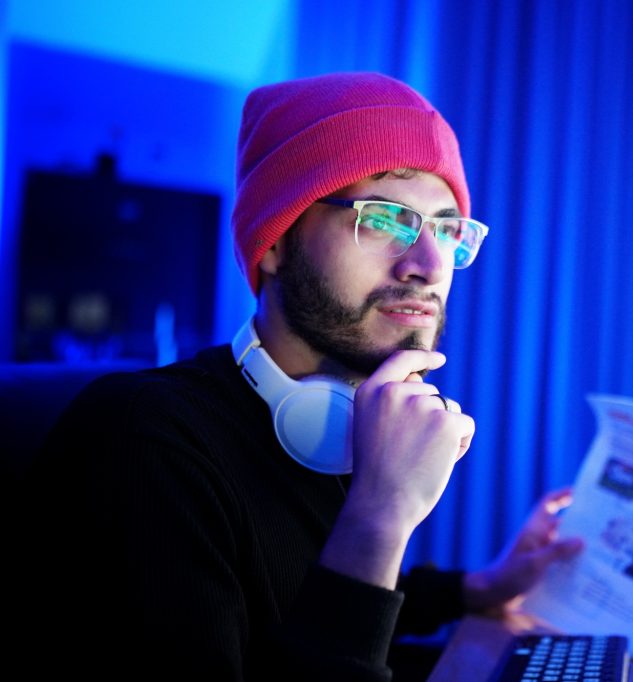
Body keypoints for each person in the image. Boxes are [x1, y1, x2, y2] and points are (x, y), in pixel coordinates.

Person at [17, 72, 582, 681]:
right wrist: (381, 513)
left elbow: (295, 600)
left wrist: (481, 587)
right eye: (386, 218)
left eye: (446, 230)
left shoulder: (334, 422)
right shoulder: (143, 439)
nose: (428, 265)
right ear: (275, 243)